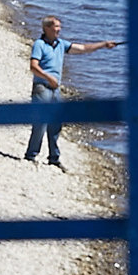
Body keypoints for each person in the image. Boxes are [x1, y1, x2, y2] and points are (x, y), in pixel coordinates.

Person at [24, 15, 117, 166]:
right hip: (42, 88)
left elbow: (83, 48)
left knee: (56, 123)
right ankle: (31, 156)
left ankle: (54, 159)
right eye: (56, 26)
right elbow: (33, 67)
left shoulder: (61, 44)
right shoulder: (39, 44)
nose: (59, 29)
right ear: (46, 28)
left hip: (55, 90)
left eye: (59, 27)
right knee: (40, 123)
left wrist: (103, 44)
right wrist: (49, 78)